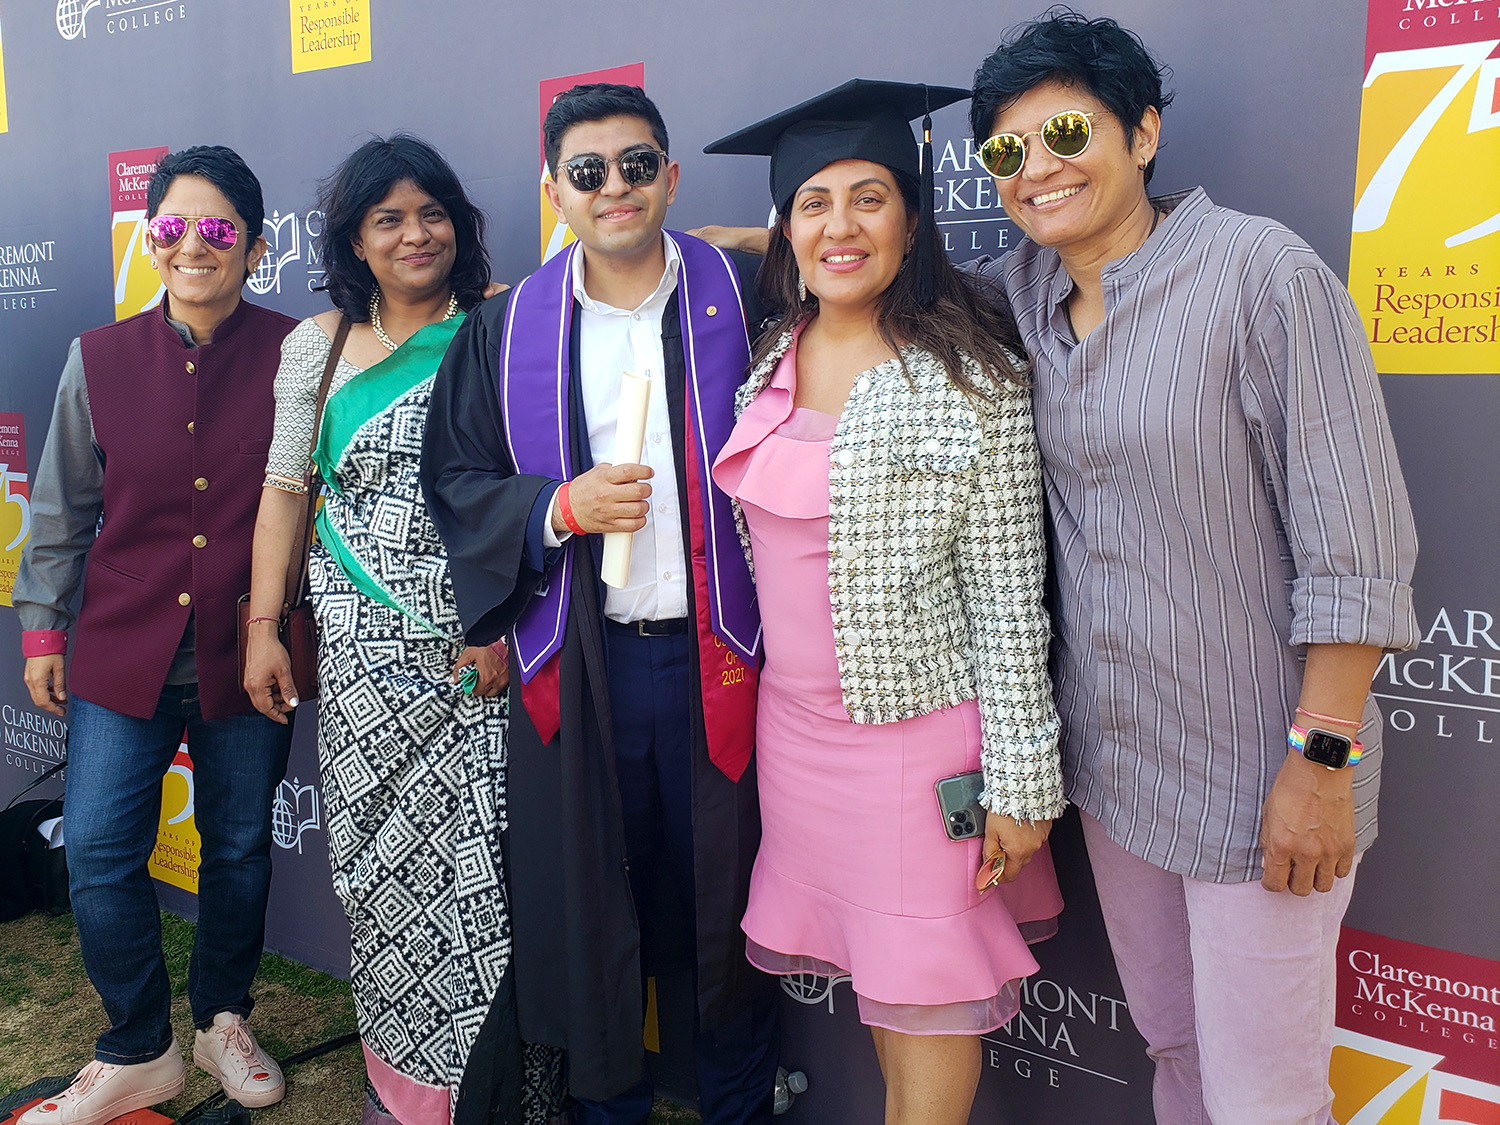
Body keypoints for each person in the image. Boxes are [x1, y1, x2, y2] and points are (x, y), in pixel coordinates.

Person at [963, 14, 1419, 1124]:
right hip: (1119, 779)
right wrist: (735, 248)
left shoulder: (1264, 275)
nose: (1038, 167)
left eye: (1066, 131)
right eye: (1006, 152)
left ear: (1145, 133)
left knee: (1267, 1099)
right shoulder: (1020, 295)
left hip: (1262, 774)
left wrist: (1320, 764)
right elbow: (883, 283)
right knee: (1176, 1050)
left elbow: (1356, 547)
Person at [701, 79, 1066, 1125]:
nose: (841, 225)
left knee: (929, 1005)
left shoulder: (971, 372)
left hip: (918, 753)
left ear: (913, 216)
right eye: (812, 203)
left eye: (870, 197)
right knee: (881, 988)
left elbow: (1009, 598)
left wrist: (1023, 781)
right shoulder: (769, 357)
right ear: (783, 229)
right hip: (800, 743)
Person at [420, 83, 780, 1124]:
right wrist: (557, 507)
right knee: (594, 905)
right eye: (588, 172)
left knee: (724, 908)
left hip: (730, 658)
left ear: (670, 176)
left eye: (636, 165)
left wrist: (768, 234)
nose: (613, 187)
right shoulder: (508, 329)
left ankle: (739, 1106)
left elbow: (866, 259)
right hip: (580, 668)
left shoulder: (747, 291)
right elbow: (459, 480)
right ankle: (609, 1108)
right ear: (555, 192)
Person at [241, 134, 562, 1125]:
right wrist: (261, 627)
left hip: (483, 656)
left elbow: (528, 496)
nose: (415, 234)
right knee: (381, 876)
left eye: (431, 213)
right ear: (355, 240)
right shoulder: (318, 346)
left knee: (497, 882)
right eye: (389, 218)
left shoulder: (505, 324)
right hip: (367, 664)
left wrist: (511, 625)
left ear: (457, 224)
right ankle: (406, 1091)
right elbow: (286, 496)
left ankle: (510, 1095)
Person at [13, 146, 294, 1125]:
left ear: (255, 248)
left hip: (250, 654)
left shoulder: (298, 353)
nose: (192, 246)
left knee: (242, 850)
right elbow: (59, 510)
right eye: (171, 226)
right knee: (94, 851)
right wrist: (43, 632)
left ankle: (222, 1017)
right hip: (121, 651)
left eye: (219, 229)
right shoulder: (96, 359)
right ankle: (139, 1046)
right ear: (150, 238)